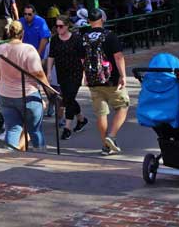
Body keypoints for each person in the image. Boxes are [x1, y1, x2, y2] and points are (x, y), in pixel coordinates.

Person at [73, 8, 127, 155]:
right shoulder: (110, 36)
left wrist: (86, 74)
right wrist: (123, 75)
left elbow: (83, 59)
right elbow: (118, 57)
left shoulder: (83, 37)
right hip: (111, 80)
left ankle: (105, 146)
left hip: (93, 80)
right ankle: (112, 136)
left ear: (89, 21)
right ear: (102, 19)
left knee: (101, 114)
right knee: (123, 106)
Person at [0, 20, 49, 150]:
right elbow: (38, 73)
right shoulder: (29, 49)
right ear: (22, 34)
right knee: (35, 130)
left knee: (12, 129)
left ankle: (9, 156)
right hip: (28, 94)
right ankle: (41, 154)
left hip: (5, 94)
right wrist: (48, 89)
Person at [46, 15, 87, 140]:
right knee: (68, 98)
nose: (58, 28)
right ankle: (81, 119)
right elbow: (51, 56)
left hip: (75, 72)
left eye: (61, 26)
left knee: (68, 98)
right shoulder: (54, 40)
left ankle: (67, 128)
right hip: (62, 73)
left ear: (67, 26)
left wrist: (85, 74)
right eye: (56, 26)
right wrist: (48, 72)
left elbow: (83, 58)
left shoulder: (76, 39)